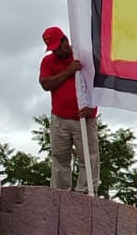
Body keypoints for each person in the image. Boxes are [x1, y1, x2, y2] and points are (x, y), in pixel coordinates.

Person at [40, 25, 99, 192]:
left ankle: (86, 193)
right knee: (60, 159)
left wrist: (91, 106)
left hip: (84, 117)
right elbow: (46, 84)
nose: (57, 52)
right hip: (60, 118)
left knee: (89, 158)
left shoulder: (83, 55)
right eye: (53, 49)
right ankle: (60, 195)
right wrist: (69, 71)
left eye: (58, 47)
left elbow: (98, 82)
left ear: (65, 40)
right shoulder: (48, 61)